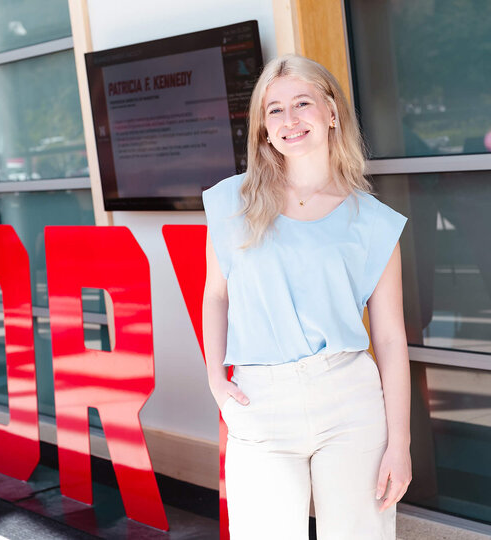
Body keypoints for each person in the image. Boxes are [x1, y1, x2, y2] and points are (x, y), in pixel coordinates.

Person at [201, 53, 412, 539]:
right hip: (259, 401)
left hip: (351, 403)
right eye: (274, 110)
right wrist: (216, 379)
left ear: (332, 111)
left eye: (303, 103)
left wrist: (398, 442)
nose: (290, 120)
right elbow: (217, 297)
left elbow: (391, 339)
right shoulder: (231, 203)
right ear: (263, 128)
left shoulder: (374, 222)